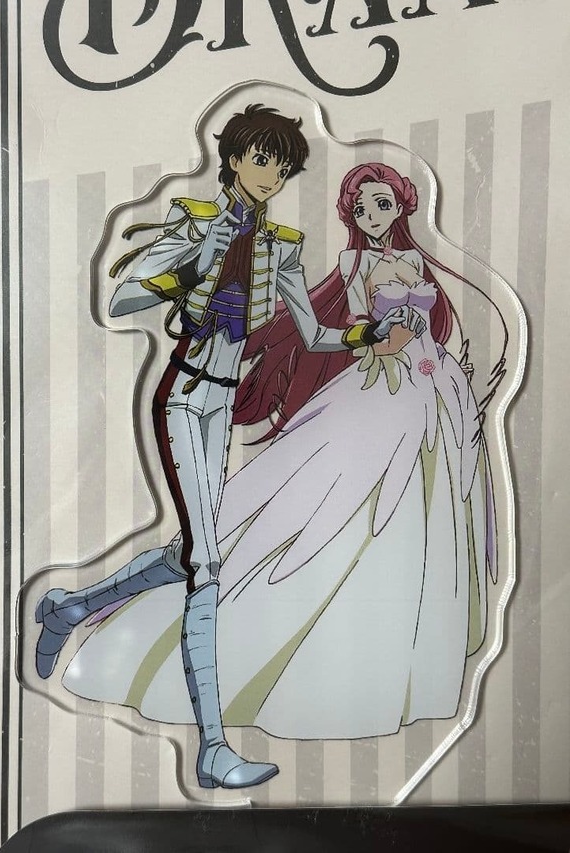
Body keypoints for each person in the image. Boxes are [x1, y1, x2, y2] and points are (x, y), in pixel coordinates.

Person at [53, 162, 503, 742]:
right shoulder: (343, 259)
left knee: (416, 519)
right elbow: (328, 327)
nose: (371, 217)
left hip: (428, 389)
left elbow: (386, 325)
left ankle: (77, 608)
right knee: (259, 534)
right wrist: (372, 337)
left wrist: (440, 359)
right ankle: (207, 734)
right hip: (356, 389)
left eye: (382, 205)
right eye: (361, 208)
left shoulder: (389, 259)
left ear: (401, 205)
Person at [34, 113, 418, 787]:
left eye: (282, 166)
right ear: (234, 158)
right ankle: (213, 750)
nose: (271, 176)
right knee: (207, 565)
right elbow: (121, 299)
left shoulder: (281, 245)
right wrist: (192, 262)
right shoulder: (193, 223)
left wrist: (368, 336)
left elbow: (312, 335)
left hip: (220, 403)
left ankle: (70, 606)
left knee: (190, 555)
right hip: (184, 395)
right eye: (261, 160)